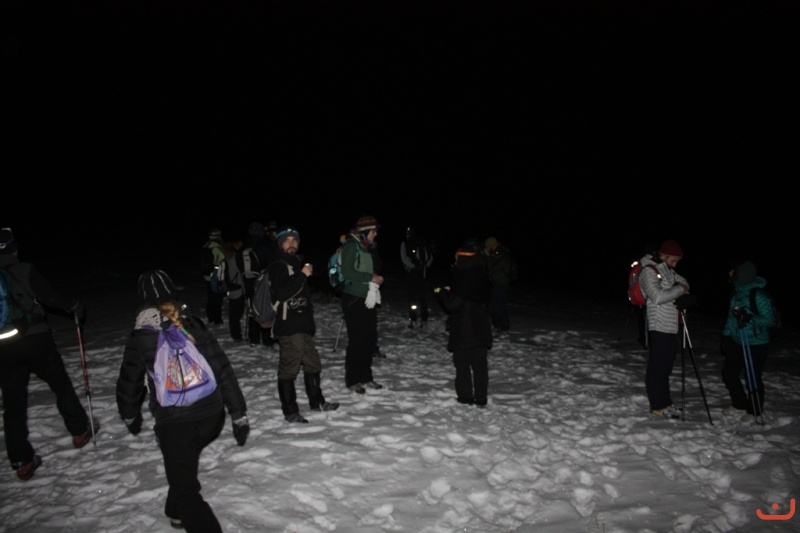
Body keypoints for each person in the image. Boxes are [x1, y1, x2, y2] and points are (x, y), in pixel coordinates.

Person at [116, 269, 249, 532]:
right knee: (182, 465)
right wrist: (238, 413)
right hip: (211, 417)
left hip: (175, 424)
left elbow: (129, 382)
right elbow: (222, 368)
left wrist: (129, 414)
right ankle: (174, 512)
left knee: (186, 489)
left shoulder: (141, 336)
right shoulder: (192, 324)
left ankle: (187, 511)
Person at [0, 228, 99, 481]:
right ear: (14, 249)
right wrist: (72, 306)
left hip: (4, 347)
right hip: (35, 339)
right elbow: (51, 297)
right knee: (60, 384)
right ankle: (79, 431)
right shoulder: (24, 270)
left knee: (13, 403)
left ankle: (21, 460)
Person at [268, 227, 340, 423]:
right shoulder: (278, 265)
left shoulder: (294, 263)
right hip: (289, 326)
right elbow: (282, 293)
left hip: (302, 326)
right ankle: (290, 411)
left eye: (295, 240)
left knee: (313, 364)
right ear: (280, 244)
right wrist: (302, 275)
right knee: (289, 369)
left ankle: (317, 402)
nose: (291, 243)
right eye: (287, 240)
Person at [437, 239, 493, 407]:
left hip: (464, 327)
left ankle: (465, 397)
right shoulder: (482, 274)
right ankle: (481, 398)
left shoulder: (462, 277)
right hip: (481, 326)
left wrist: (442, 293)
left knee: (462, 363)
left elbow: (453, 304)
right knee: (480, 365)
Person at [639, 239, 691, 419]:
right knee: (657, 368)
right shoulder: (648, 271)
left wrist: (681, 287)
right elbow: (657, 297)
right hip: (659, 324)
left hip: (671, 325)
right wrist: (679, 290)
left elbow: (684, 282)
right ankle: (658, 405)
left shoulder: (667, 270)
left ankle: (666, 402)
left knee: (665, 368)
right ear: (663, 256)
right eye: (673, 260)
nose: (675, 265)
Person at [720, 260, 776, 421]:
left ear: (743, 274)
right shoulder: (736, 293)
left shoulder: (759, 295)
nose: (730, 273)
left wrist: (749, 318)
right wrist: (726, 336)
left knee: (752, 376)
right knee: (729, 373)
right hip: (737, 340)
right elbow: (731, 318)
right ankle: (739, 404)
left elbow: (769, 320)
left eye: (733, 271)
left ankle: (754, 410)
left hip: (756, 343)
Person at [340, 215, 384, 394]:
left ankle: (366, 377)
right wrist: (370, 277)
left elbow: (374, 268)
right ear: (366, 231)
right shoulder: (351, 246)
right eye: (373, 231)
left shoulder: (367, 247)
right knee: (357, 340)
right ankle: (353, 379)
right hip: (353, 298)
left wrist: (376, 279)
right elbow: (347, 271)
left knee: (368, 338)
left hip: (368, 297)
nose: (375, 234)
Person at [237, 222, 277, 348]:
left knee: (252, 308)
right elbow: (272, 263)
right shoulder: (265, 246)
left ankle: (253, 338)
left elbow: (239, 264)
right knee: (266, 307)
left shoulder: (243, 247)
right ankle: (267, 339)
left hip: (248, 282)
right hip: (264, 282)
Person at [400, 226, 433, 329]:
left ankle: (413, 320)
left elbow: (403, 258)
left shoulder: (405, 243)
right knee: (422, 297)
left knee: (412, 298)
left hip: (411, 273)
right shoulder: (423, 243)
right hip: (421, 274)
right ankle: (424, 320)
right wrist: (425, 267)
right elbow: (430, 258)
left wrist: (413, 267)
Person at [484, 236, 514, 333]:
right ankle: (498, 325)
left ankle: (503, 326)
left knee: (498, 305)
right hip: (497, 283)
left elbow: (494, 267)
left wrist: (488, 256)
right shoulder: (496, 253)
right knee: (494, 305)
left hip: (502, 283)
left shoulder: (502, 253)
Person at [202, 229, 226, 325]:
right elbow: (222, 259)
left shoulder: (206, 246)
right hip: (216, 276)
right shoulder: (217, 248)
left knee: (211, 297)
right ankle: (217, 319)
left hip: (207, 276)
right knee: (217, 297)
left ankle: (210, 317)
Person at [224, 238, 245, 342]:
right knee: (236, 313)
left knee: (233, 314)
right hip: (238, 287)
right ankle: (236, 335)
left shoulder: (226, 257)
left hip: (231, 287)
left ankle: (235, 334)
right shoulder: (236, 257)